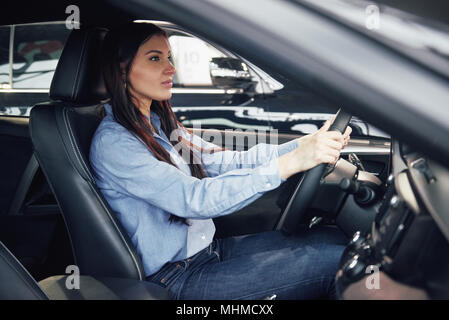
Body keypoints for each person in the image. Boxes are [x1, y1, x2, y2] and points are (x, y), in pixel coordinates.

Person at [90, 22, 352, 300]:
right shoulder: (116, 143)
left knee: (338, 240)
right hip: (175, 278)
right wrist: (289, 164)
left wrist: (305, 144)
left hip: (208, 252)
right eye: (155, 58)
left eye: (169, 57)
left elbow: (228, 161)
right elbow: (193, 199)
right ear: (121, 70)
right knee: (341, 266)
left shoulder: (157, 124)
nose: (171, 68)